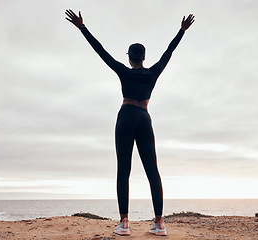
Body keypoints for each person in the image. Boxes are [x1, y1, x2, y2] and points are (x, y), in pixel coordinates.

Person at [65, 9, 194, 236]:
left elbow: (101, 52)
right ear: (143, 58)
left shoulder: (123, 71)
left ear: (129, 58)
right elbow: (168, 52)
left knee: (123, 170)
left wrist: (82, 28)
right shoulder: (153, 72)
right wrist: (181, 31)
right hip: (144, 118)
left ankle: (124, 223)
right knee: (153, 171)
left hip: (125, 117)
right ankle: (160, 223)